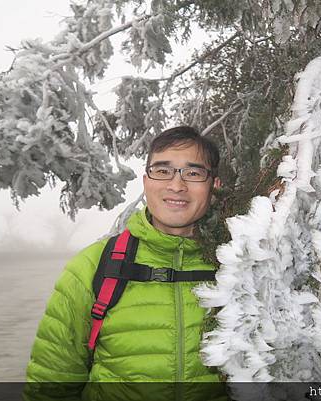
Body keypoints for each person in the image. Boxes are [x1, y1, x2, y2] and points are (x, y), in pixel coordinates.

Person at [24, 126, 227, 401]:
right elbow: (50, 387)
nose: (176, 185)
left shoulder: (239, 265)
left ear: (214, 184)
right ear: (146, 182)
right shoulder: (93, 268)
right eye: (163, 170)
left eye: (193, 173)